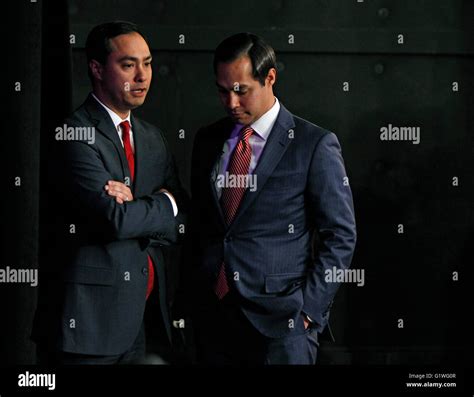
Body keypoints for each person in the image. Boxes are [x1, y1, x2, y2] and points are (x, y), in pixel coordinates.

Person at [189, 33, 356, 365]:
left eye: (241, 90)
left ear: (270, 78)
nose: (231, 103)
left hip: (283, 324)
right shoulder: (208, 139)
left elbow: (341, 236)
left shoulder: (313, 144)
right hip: (214, 320)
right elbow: (203, 225)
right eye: (223, 91)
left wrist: (308, 310)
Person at [32, 21, 187, 364]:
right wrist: (162, 204)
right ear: (97, 69)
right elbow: (114, 220)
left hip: (140, 324)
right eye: (129, 64)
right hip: (86, 328)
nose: (143, 75)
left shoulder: (152, 139)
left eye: (147, 63)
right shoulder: (73, 134)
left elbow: (181, 221)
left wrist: (143, 207)